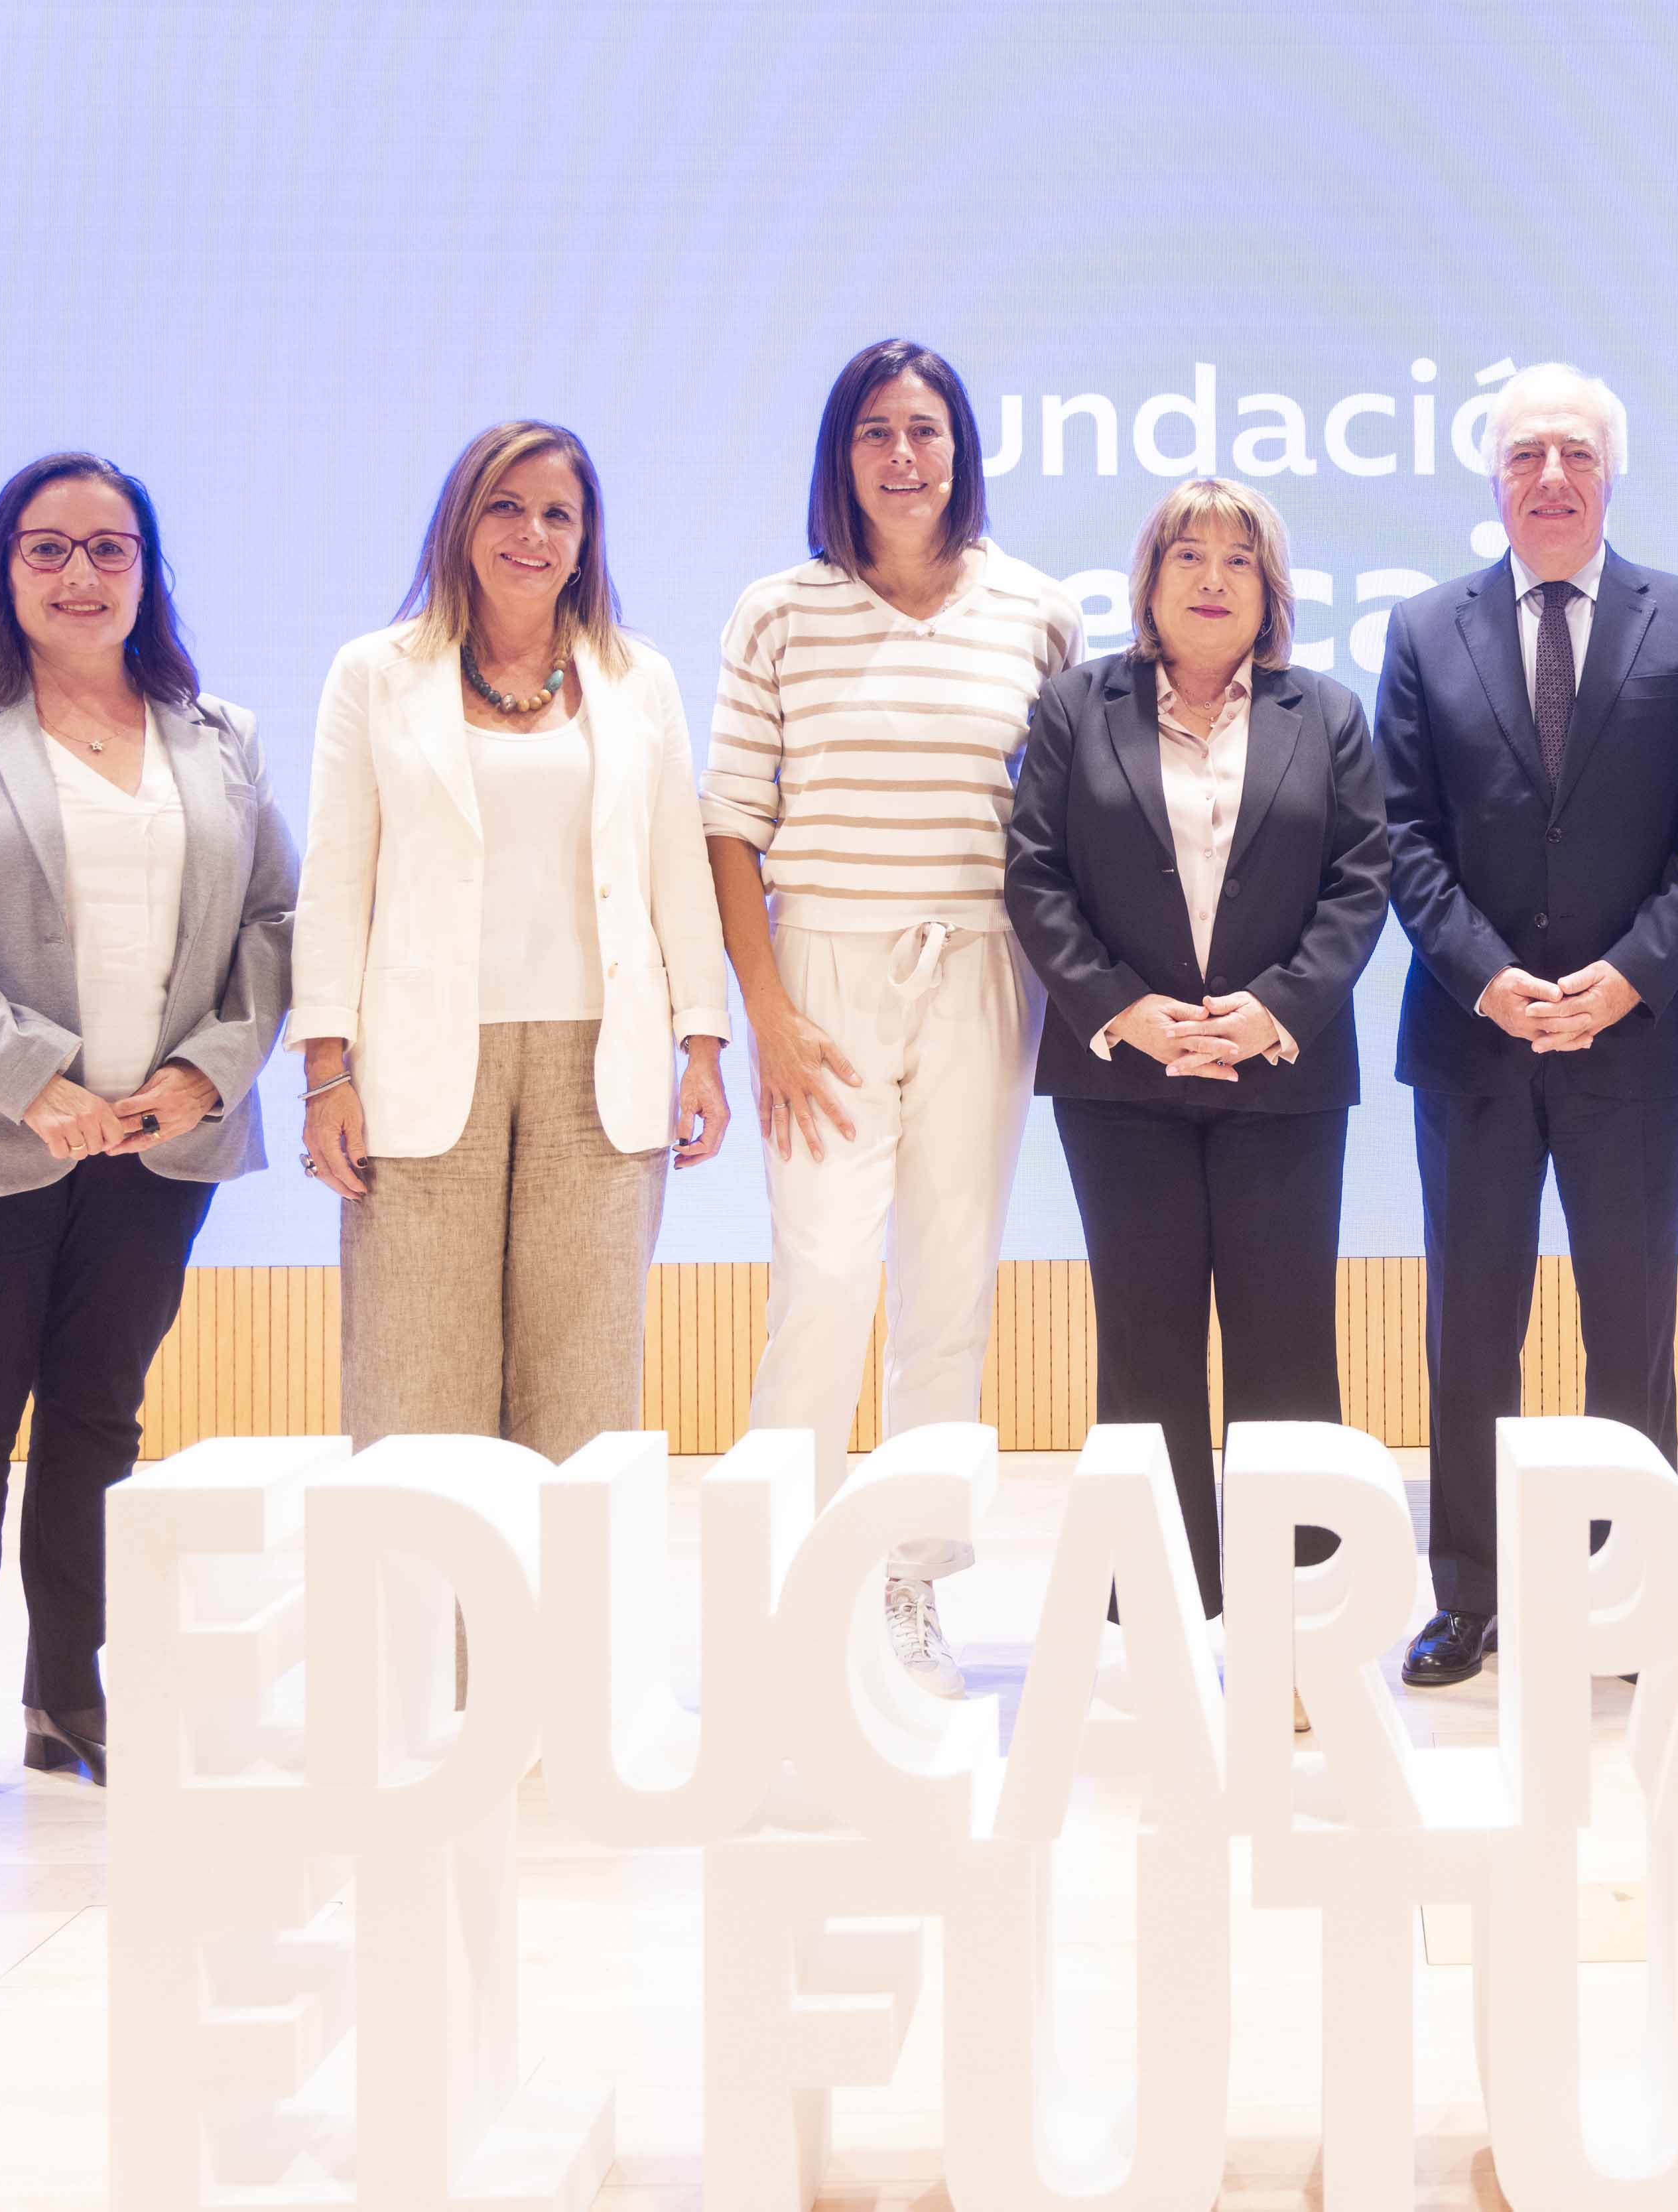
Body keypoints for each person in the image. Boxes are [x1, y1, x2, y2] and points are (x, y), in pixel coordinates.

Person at [0, 453, 296, 1843]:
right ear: (6, 568)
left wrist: (203, 1074)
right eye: (48, 548)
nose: (80, 573)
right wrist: (35, 1080)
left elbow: (275, 924)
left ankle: (70, 1696)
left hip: (154, 1147)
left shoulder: (218, 734)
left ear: (147, 571)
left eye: (110, 548)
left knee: (99, 1423)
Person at [700, 340, 1083, 1696]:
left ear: (960, 449)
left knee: (948, 1287)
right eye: (875, 431)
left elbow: (1065, 817)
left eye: (925, 430)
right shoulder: (778, 613)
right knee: (821, 1282)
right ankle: (781, 1591)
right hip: (823, 973)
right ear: (841, 454)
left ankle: (911, 1585)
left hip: (983, 968)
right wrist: (767, 1010)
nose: (902, 456)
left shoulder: (1037, 613)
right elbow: (730, 823)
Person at [1376, 362, 1678, 1687]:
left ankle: (1624, 1588)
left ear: (1611, 474)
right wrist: (1485, 975)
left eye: (1576, 455)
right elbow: (1401, 835)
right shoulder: (1423, 630)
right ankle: (1468, 1594)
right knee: (1472, 1329)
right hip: (1472, 1038)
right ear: (1493, 478)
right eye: (1526, 454)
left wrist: (1631, 975)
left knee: (1629, 1328)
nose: (1551, 477)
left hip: (1637, 1040)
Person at [294, 422, 731, 1476]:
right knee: (415, 1392)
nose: (530, 533)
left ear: (585, 543)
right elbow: (335, 878)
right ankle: (425, 1598)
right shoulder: (374, 673)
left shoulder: (639, 679)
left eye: (556, 515)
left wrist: (704, 1047)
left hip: (602, 1071)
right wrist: (324, 1071)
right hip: (418, 1067)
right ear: (461, 522)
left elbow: (680, 872)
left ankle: (564, 1600)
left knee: (582, 1405)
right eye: (505, 506)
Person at [1004, 479, 1388, 1660]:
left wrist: (1276, 1010)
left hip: (1283, 1082)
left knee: (1288, 1351)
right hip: (1123, 1085)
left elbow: (1360, 883)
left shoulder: (1329, 714)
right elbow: (1035, 875)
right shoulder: (1077, 708)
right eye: (1188, 555)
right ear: (1149, 579)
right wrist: (1123, 1009)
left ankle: (1297, 1633)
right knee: (1145, 1350)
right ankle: (1163, 1631)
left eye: (1239, 559)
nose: (1213, 578)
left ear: (1272, 591)